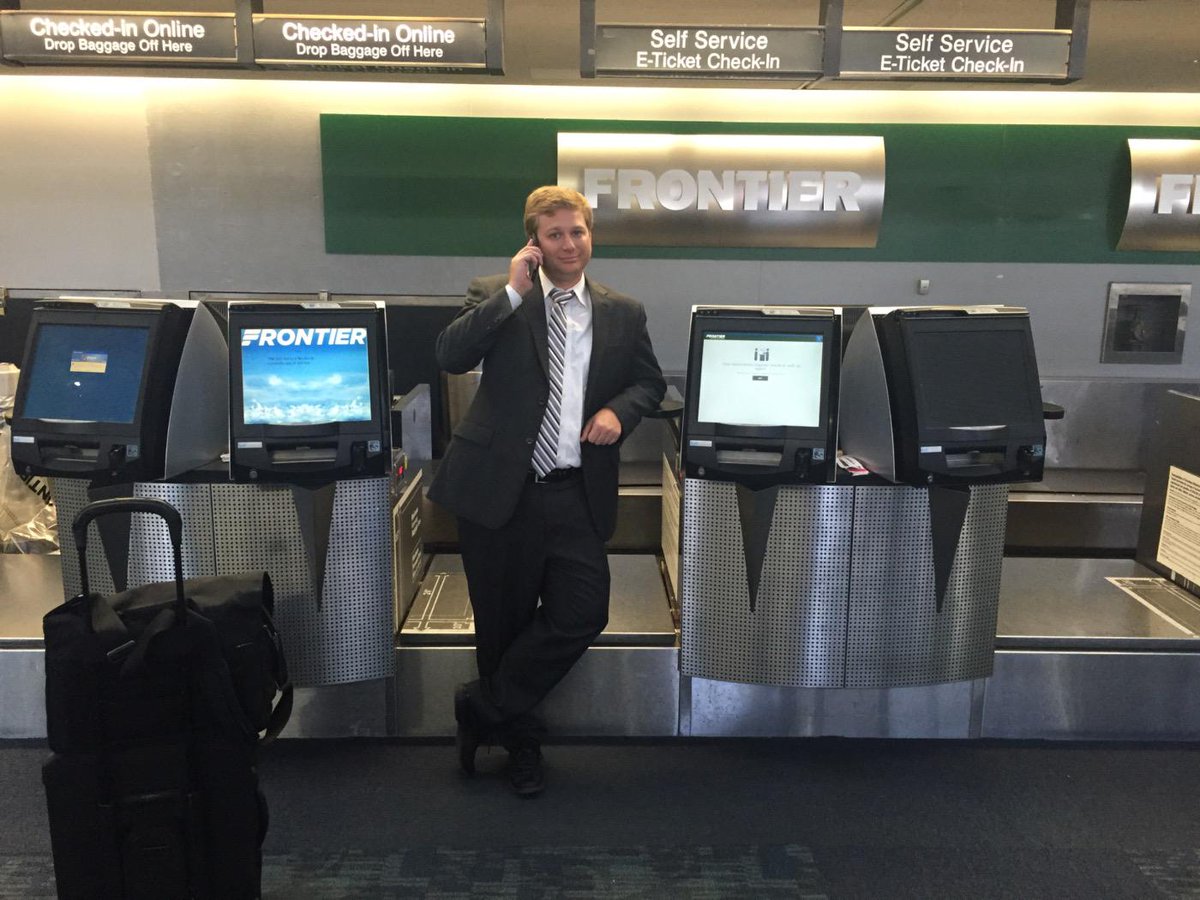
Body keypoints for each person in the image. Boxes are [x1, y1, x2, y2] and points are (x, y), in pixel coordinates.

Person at [428, 185, 666, 797]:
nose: (569, 244)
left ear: (592, 235)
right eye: (555, 234)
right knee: (501, 624)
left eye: (577, 232)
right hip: (499, 490)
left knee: (582, 610)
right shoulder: (496, 293)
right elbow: (450, 356)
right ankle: (521, 745)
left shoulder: (623, 311)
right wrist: (513, 292)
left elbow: (648, 381)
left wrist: (620, 411)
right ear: (535, 241)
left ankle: (482, 709)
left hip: (573, 490)